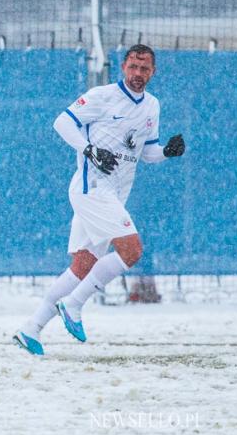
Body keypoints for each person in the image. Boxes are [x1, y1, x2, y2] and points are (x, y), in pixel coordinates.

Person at [13, 44, 185, 355]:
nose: (138, 74)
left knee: (82, 266)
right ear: (123, 67)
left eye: (144, 69)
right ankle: (74, 304)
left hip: (114, 195)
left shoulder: (152, 106)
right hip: (91, 189)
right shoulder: (101, 96)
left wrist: (167, 153)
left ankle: (31, 329)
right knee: (132, 251)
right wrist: (89, 149)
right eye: (133, 67)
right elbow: (62, 123)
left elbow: (146, 152)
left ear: (153, 72)